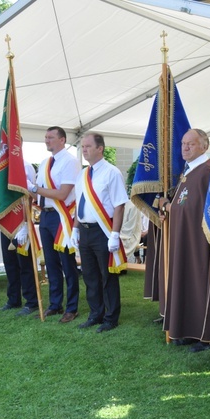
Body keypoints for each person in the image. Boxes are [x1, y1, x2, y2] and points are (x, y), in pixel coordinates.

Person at [160, 128, 210, 349]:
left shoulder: (206, 172)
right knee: (186, 283)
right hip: (184, 239)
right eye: (183, 143)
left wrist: (169, 207)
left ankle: (205, 334)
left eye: (191, 144)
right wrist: (169, 208)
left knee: (200, 284)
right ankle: (189, 329)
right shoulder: (189, 172)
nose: (185, 147)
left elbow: (202, 209)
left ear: (204, 146)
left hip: (199, 243)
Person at [72, 133, 128, 333]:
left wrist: (114, 234)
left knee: (107, 275)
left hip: (103, 230)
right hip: (85, 231)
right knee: (90, 275)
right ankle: (96, 313)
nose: (84, 149)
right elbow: (80, 204)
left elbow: (119, 205)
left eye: (88, 146)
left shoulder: (112, 172)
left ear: (100, 148)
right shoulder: (82, 175)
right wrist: (75, 228)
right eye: (83, 146)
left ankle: (111, 317)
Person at [28, 126, 81, 323]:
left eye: (51, 137)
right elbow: (40, 193)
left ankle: (72, 307)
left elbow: (62, 194)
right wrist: (27, 189)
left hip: (63, 215)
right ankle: (55, 304)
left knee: (67, 263)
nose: (46, 140)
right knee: (51, 263)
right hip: (46, 215)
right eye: (45, 137)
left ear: (62, 140)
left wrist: (35, 188)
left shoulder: (70, 162)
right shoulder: (44, 163)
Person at [0, 160, 39, 317]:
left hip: (21, 221)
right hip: (6, 220)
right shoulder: (2, 166)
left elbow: (30, 196)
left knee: (24, 265)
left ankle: (31, 301)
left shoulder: (25, 166)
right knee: (10, 263)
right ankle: (13, 299)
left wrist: (26, 223)